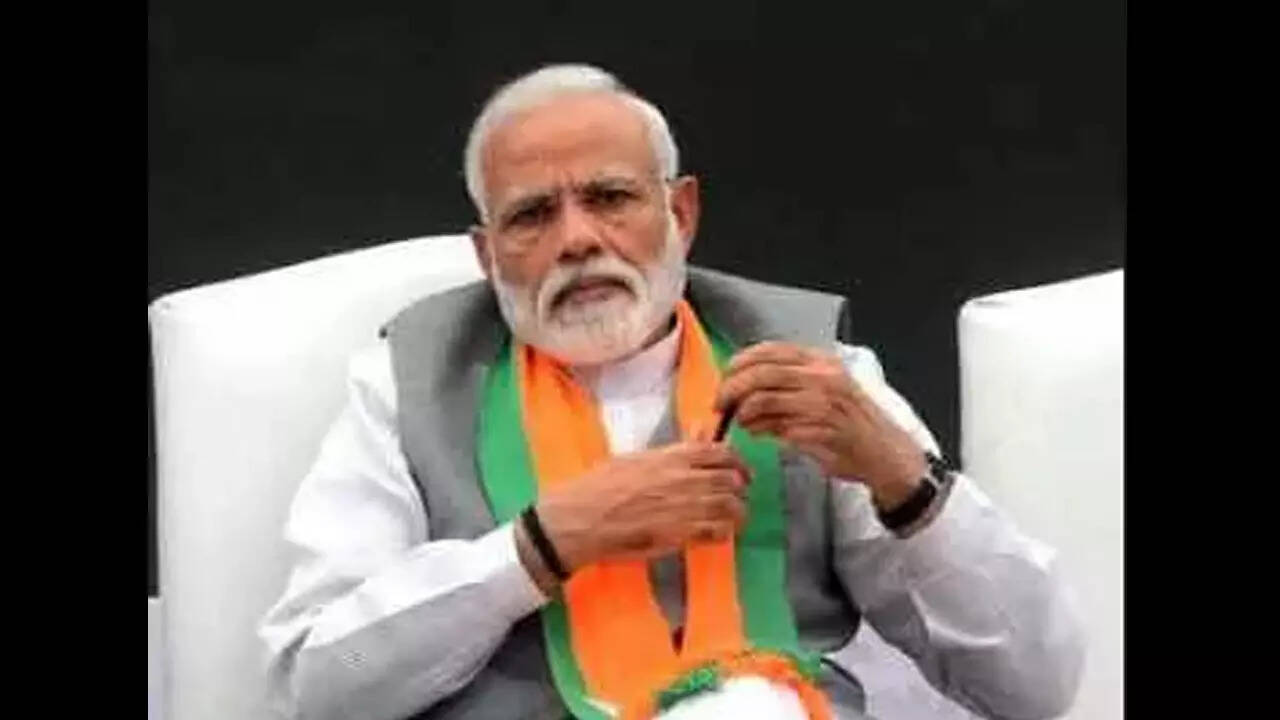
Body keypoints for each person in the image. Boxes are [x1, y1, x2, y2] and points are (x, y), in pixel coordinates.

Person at [259, 64, 1085, 720]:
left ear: (680, 212)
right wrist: (539, 548)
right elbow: (317, 690)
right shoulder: (405, 385)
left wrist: (906, 482)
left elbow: (1032, 687)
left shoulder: (810, 369)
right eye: (533, 215)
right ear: (486, 254)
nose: (576, 239)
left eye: (610, 198)